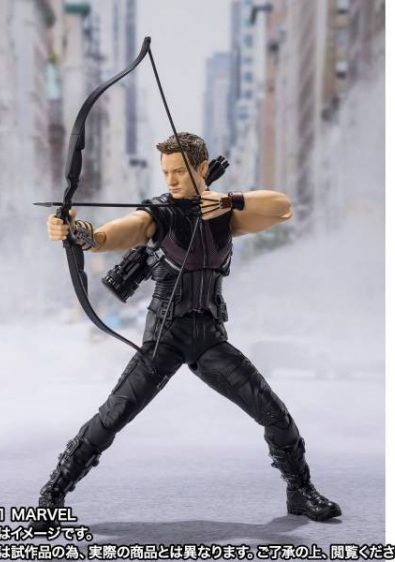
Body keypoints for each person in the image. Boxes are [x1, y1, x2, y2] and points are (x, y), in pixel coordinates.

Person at [39, 132, 341, 524]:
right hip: (165, 336)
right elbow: (115, 233)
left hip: (209, 337)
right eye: (166, 171)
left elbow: (282, 207)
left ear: (202, 169)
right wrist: (80, 234)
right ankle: (52, 495)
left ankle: (300, 492)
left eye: (180, 171)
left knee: (274, 413)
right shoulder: (158, 214)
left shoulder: (225, 215)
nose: (171, 179)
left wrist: (230, 200)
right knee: (112, 416)